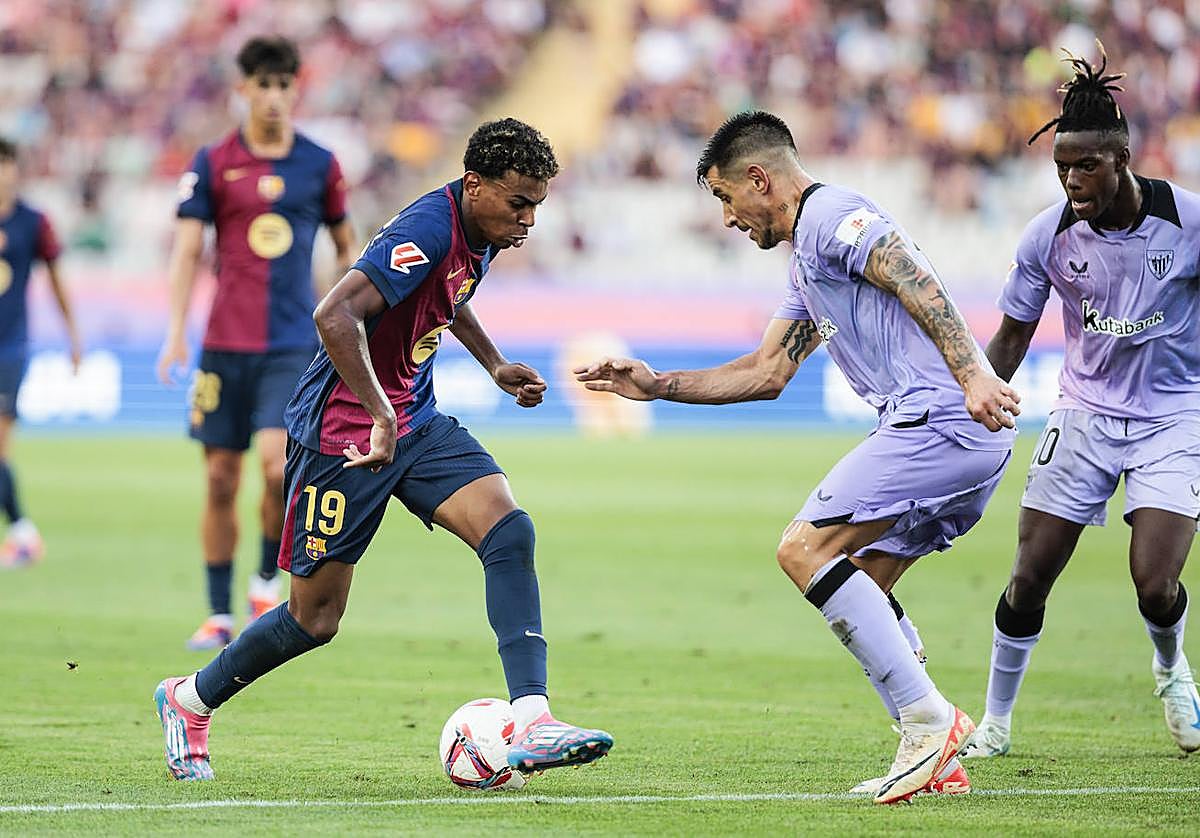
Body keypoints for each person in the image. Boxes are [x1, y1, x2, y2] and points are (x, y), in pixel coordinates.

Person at [575, 111, 1019, 804]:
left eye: (725, 198)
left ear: (759, 179)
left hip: (941, 419)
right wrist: (657, 385)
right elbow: (766, 372)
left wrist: (972, 376)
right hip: (958, 430)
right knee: (865, 584)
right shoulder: (808, 263)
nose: (726, 218)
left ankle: (932, 719)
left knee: (803, 550)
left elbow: (912, 278)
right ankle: (934, 757)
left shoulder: (831, 216)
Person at [154, 118, 613, 782]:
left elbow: (444, 296)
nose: (529, 220)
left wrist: (493, 364)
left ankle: (535, 718)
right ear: (475, 185)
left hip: (412, 420)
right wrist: (376, 412)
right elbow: (334, 315)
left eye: (537, 205)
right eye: (520, 203)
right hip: (345, 434)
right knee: (315, 619)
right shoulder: (426, 229)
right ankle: (189, 698)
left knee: (509, 531)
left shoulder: (481, 230)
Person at [961, 47, 1200, 759]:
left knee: (1155, 584)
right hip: (1085, 415)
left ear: (1122, 158)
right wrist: (970, 405)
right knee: (1029, 578)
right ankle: (996, 726)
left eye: (1085, 166)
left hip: (1175, 417)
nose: (1071, 181)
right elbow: (1008, 339)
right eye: (1062, 167)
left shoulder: (1188, 223)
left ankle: (1171, 670)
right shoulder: (1048, 235)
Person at [156, 36, 355, 650]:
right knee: (219, 479)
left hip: (292, 346)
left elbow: (349, 246)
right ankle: (217, 614)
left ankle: (265, 578)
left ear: (296, 89)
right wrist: (174, 334)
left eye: (283, 84)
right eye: (261, 85)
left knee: (275, 470)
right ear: (242, 89)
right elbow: (188, 249)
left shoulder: (320, 164)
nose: (272, 96)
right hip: (223, 345)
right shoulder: (213, 162)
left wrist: (348, 314)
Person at [0, 137, 82, 567]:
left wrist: (72, 334)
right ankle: (22, 532)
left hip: (9, 348)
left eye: (5, 165)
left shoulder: (33, 222)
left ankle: (23, 533)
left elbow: (56, 280)